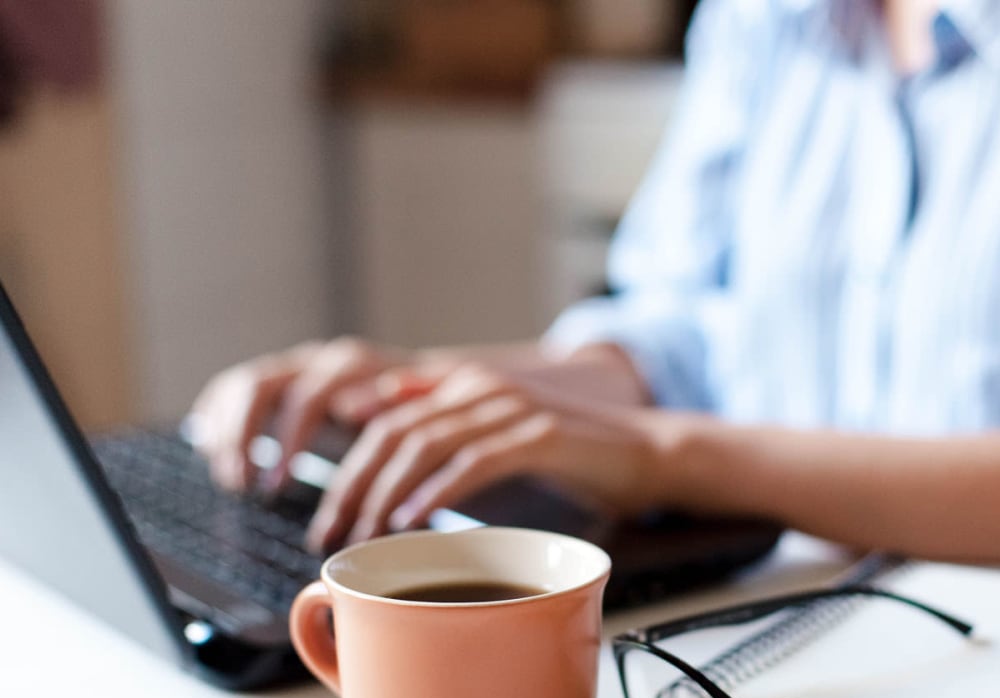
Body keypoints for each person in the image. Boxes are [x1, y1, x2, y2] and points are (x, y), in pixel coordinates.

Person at [191, 0, 1000, 563]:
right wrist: (429, 391)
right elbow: (687, 334)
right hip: (795, 615)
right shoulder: (762, 21)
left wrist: (672, 457)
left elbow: (671, 436)